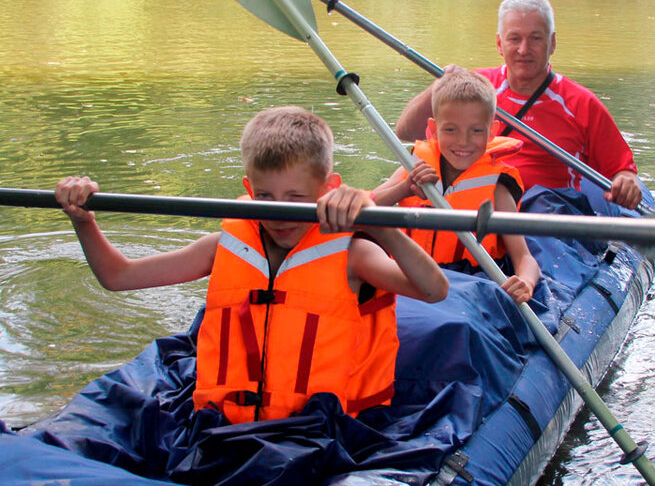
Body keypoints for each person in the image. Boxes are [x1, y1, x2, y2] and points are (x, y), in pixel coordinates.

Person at [55, 106, 448, 425]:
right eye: (265, 196)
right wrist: (82, 220)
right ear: (248, 190)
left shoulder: (353, 255)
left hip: (316, 431)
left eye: (296, 197)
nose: (280, 213)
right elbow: (118, 276)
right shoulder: (222, 247)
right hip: (221, 424)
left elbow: (434, 290)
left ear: (328, 189)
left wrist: (379, 224)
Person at [395, 0, 643, 210]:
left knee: (541, 204)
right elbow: (406, 132)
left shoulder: (580, 103)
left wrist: (627, 182)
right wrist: (439, 86)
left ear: (552, 43)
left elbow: (623, 170)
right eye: (515, 39)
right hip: (474, 208)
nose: (524, 49)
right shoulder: (473, 88)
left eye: (535, 38)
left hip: (545, 216)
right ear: (500, 44)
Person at [372, 69, 541, 305]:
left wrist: (526, 282)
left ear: (492, 131)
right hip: (410, 274)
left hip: (467, 284)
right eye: (451, 130)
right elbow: (369, 206)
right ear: (433, 127)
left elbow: (524, 258)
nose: (463, 141)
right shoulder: (415, 165)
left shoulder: (497, 188)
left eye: (476, 130)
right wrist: (404, 189)